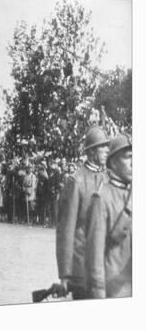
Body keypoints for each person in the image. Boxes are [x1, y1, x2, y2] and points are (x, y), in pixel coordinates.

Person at [56, 125, 110, 299]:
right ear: (92, 151)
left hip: (103, 266)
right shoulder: (76, 181)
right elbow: (66, 230)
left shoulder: (107, 178)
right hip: (82, 269)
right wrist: (65, 274)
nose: (107, 151)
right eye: (103, 147)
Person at [85, 133, 132, 299]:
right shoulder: (101, 198)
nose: (134, 163)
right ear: (112, 162)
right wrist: (99, 295)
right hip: (114, 291)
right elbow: (95, 256)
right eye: (128, 158)